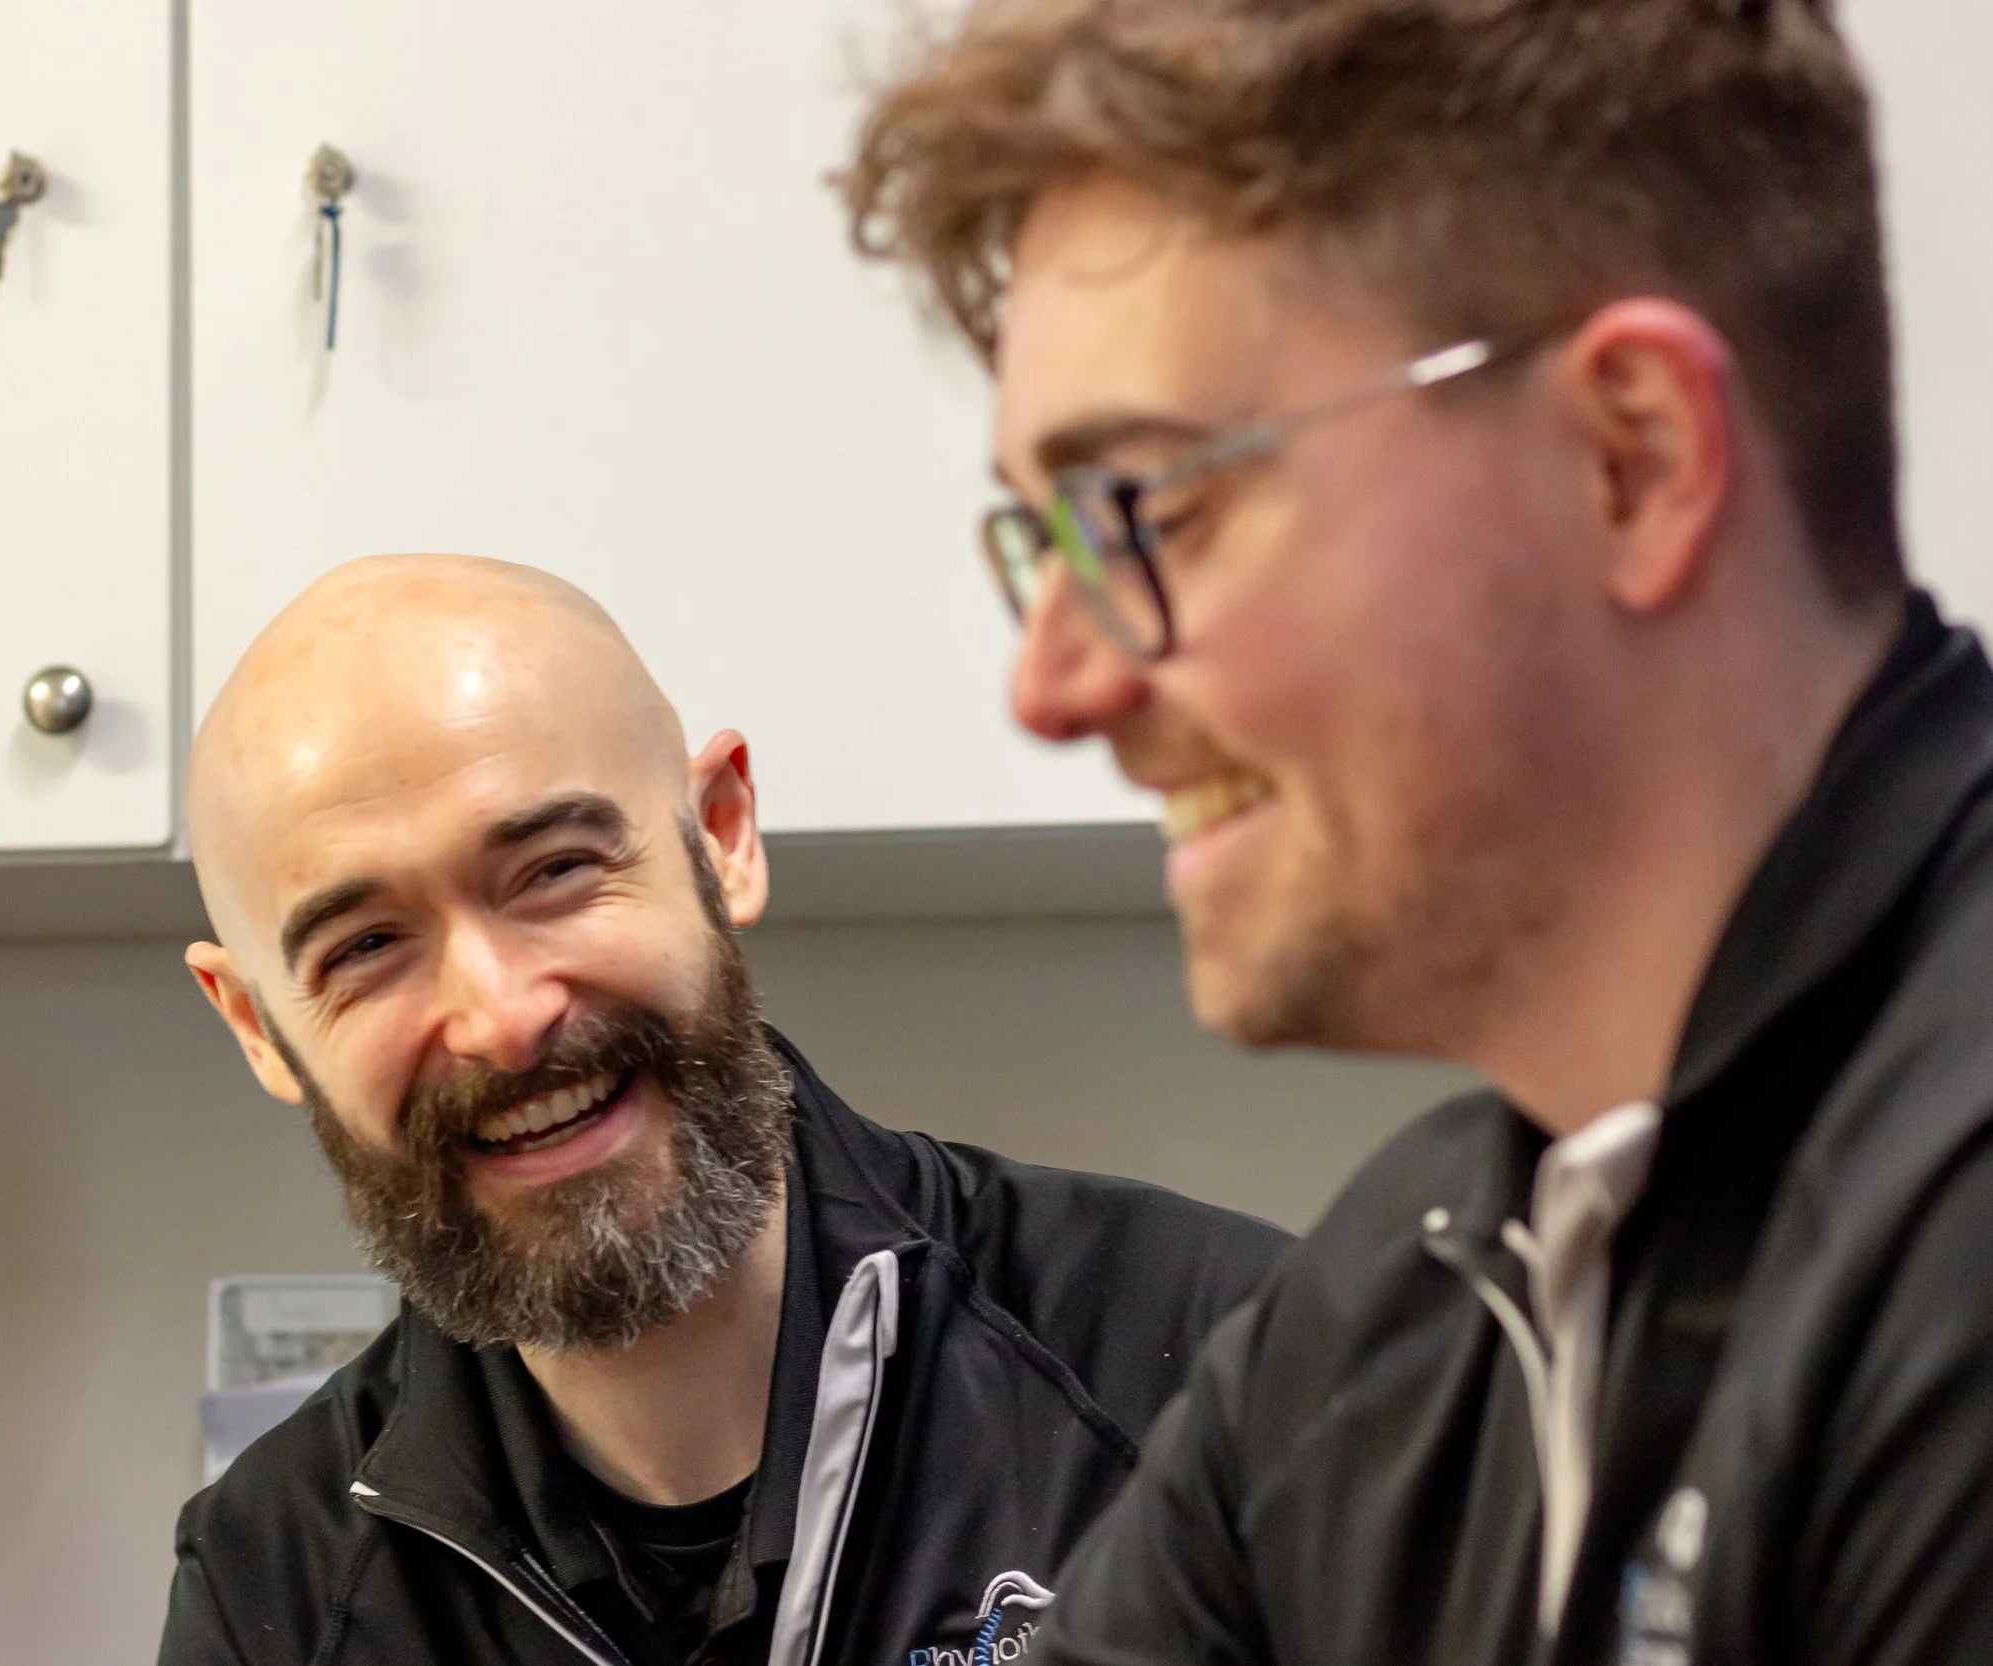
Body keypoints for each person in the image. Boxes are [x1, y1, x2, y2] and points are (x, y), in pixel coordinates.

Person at [842, 0, 1993, 1662]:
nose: (1055, 681)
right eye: (1045, 545)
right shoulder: (1390, 1316)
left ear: (1632, 459)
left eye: (1145, 510)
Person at [156, 554, 1287, 1666]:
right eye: (365, 948)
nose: (499, 1017)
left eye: (554, 870)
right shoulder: (277, 1582)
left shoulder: (1224, 1367)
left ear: (722, 833)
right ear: (256, 1024)